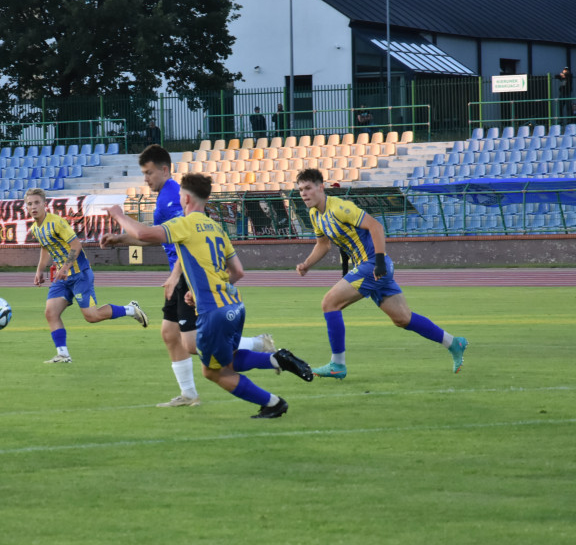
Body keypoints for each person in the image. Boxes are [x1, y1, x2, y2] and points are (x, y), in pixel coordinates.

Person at [105, 173, 313, 418]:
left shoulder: (184, 224)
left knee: (212, 372)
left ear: (185, 198)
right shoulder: (216, 228)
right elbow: (237, 272)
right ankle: (278, 360)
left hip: (213, 313)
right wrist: (202, 291)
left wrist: (119, 215)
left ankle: (273, 403)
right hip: (235, 306)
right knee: (229, 360)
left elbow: (143, 234)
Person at [100, 144, 275, 407]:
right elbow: (161, 237)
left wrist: (174, 276)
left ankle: (258, 345)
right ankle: (189, 395)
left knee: (192, 343)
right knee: (170, 335)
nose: (146, 179)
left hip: (185, 276)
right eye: (143, 173)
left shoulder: (172, 197)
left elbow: (186, 240)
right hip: (179, 274)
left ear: (164, 169)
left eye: (149, 173)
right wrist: (121, 239)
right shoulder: (165, 197)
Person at [293, 168, 467, 378]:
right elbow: (323, 244)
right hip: (370, 268)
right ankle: (453, 343)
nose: (303, 193)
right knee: (403, 318)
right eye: (301, 189)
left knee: (329, 303)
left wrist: (380, 263)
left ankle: (337, 365)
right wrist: (306, 264)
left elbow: (375, 226)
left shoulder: (340, 207)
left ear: (321, 187)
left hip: (373, 265)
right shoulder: (315, 215)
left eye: (308, 188)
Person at [26, 187, 147, 363]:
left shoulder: (57, 222)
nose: (33, 206)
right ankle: (63, 355)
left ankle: (131, 309)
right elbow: (45, 248)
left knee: (92, 316)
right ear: (26, 207)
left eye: (37, 202)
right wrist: (39, 270)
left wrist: (66, 267)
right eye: (30, 204)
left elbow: (76, 245)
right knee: (51, 313)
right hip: (63, 278)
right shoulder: (36, 229)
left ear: (44, 204)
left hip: (79, 274)